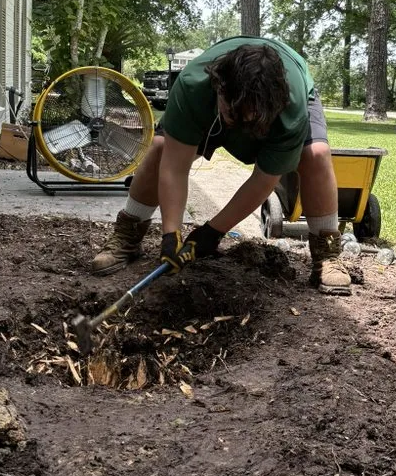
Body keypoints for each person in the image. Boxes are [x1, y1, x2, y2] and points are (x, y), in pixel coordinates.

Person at [92, 37, 351, 295]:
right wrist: (171, 234)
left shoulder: (290, 108)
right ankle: (127, 236)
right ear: (218, 87)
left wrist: (212, 232)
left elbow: (264, 178)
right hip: (209, 107)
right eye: (233, 114)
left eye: (249, 119)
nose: (239, 125)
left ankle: (327, 254)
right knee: (160, 148)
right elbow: (174, 167)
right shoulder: (193, 87)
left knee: (316, 153)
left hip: (279, 100)